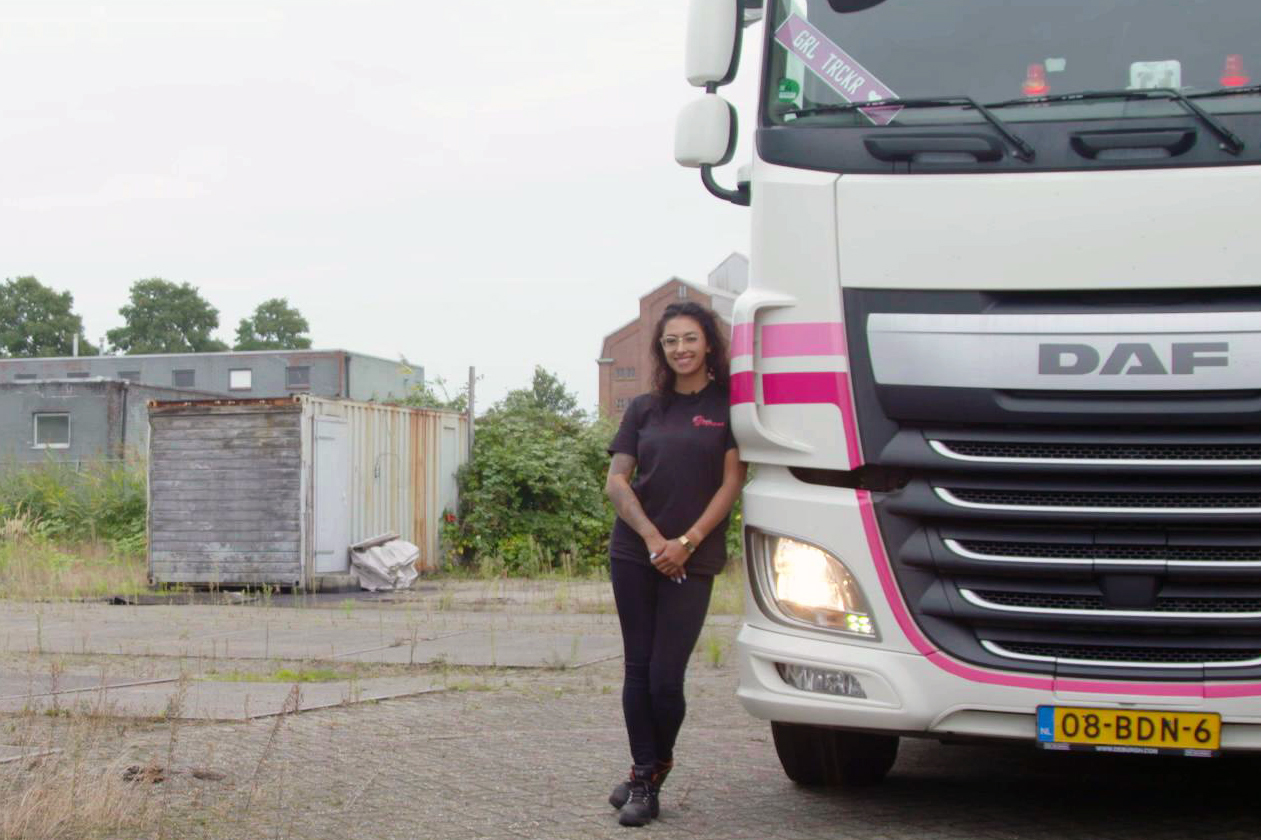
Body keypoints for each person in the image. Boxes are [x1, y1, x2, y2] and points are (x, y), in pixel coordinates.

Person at [603, 301, 745, 827]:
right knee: (638, 669)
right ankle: (646, 775)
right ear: (661, 350)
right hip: (635, 552)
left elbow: (732, 482)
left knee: (667, 677)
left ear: (708, 342)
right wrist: (653, 538)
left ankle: (655, 766)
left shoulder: (731, 407)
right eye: (670, 342)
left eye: (689, 339)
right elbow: (618, 480)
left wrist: (686, 541)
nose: (680, 349)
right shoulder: (644, 407)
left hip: (695, 556)